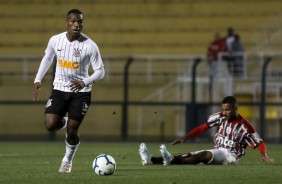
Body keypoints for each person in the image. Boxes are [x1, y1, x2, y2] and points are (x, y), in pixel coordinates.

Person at [32, 9, 105, 173]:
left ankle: (67, 161)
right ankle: (65, 120)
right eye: (73, 21)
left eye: (80, 21)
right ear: (67, 22)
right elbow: (48, 58)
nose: (76, 24)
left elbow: (101, 71)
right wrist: (38, 79)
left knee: (72, 132)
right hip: (59, 89)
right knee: (50, 125)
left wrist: (84, 81)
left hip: (81, 92)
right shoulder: (55, 40)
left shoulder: (90, 46)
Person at [139, 96, 274, 165]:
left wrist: (263, 154)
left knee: (203, 155)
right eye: (223, 109)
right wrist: (185, 137)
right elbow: (202, 127)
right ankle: (151, 160)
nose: (224, 112)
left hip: (230, 156)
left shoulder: (244, 126)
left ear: (235, 109)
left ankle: (168, 161)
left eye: (228, 109)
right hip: (219, 150)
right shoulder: (220, 117)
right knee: (191, 156)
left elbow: (259, 141)